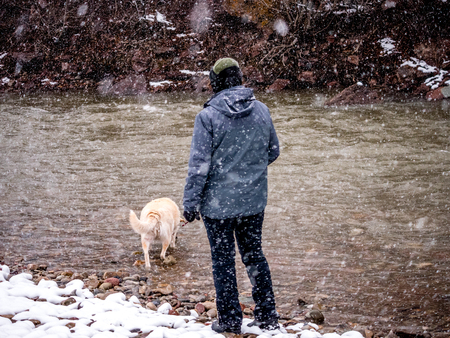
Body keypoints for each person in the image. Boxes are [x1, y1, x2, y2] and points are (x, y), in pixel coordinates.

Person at [183, 57, 280, 334]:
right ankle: (268, 316)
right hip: (253, 201)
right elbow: (273, 151)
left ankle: (229, 321)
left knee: (223, 262)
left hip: (218, 206)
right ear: (239, 79)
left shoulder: (207, 117)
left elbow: (198, 167)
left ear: (215, 83)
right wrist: (248, 171)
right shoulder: (261, 110)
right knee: (254, 255)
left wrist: (190, 204)